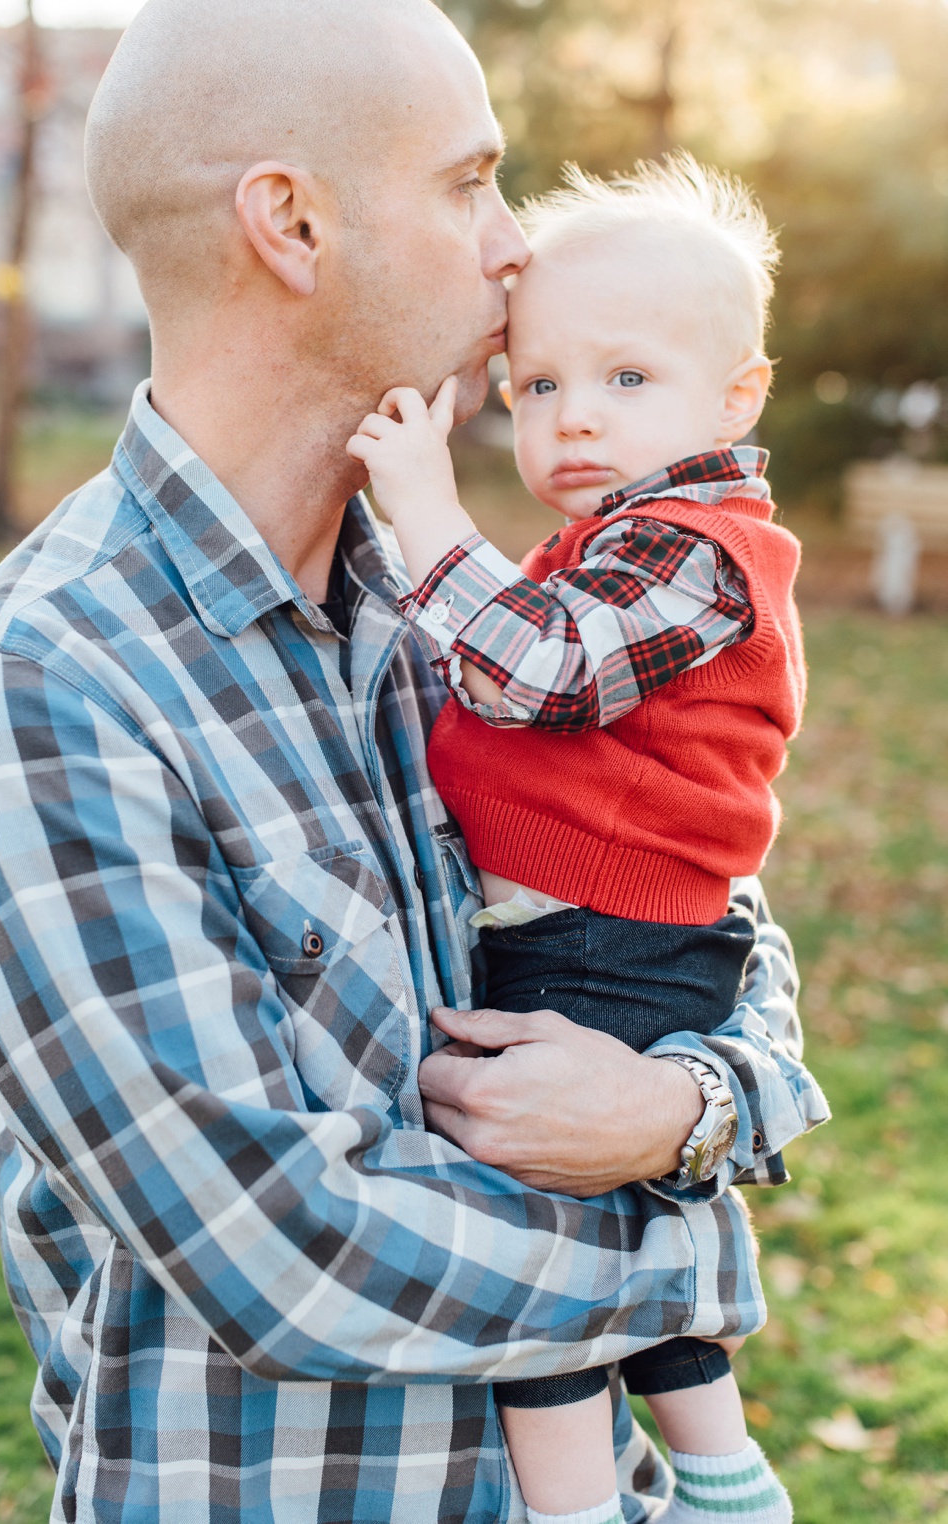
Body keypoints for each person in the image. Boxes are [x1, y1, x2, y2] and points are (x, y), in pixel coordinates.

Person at [0, 3, 829, 1521]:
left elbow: (702, 908)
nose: (512, 246)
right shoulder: (42, 680)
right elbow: (286, 1247)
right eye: (470, 182)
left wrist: (686, 1114)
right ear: (290, 223)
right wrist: (692, 1245)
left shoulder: (470, 603)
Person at [348, 156, 803, 1524]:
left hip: (600, 937)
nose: (572, 420)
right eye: (538, 384)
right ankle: (722, 1478)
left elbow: (538, 675)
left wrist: (423, 513)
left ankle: (580, 1509)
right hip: (602, 930)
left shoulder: (696, 551)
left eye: (625, 380)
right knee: (610, 1217)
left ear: (737, 398)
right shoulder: (621, 544)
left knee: (528, 1242)